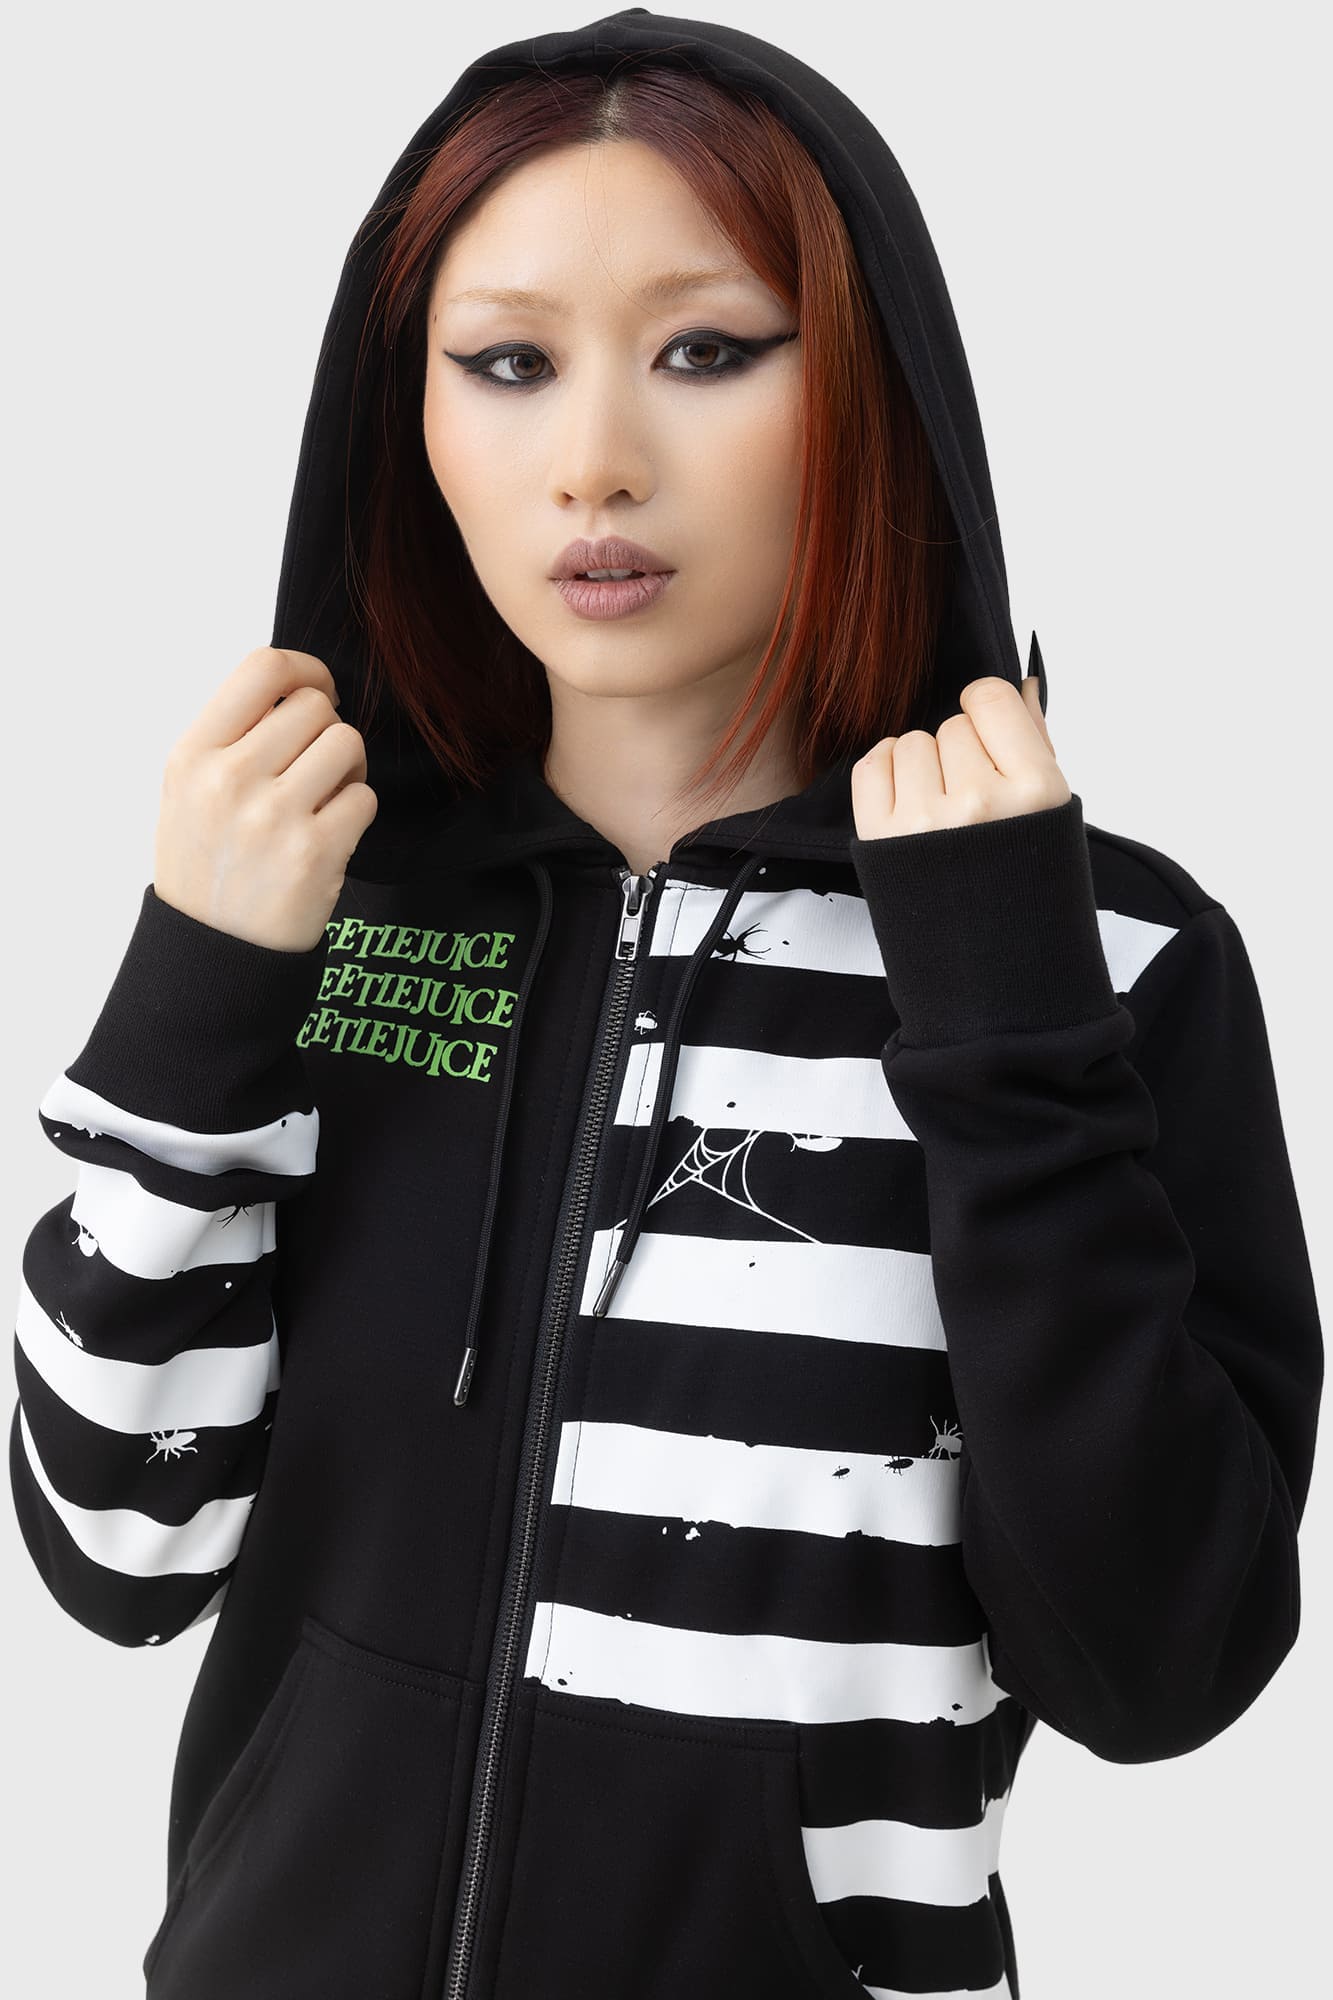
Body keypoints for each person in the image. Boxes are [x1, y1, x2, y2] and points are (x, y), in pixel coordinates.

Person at [8, 10, 1323, 1999]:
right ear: (408, 416)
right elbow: (115, 1550)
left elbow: (1159, 1666)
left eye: (707, 350)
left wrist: (1002, 1032)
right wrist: (197, 983)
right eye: (506, 363)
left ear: (865, 387)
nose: (595, 461)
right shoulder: (323, 907)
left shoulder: (1092, 960)